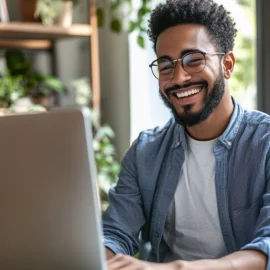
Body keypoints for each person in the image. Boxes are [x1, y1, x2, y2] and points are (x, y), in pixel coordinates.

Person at [103, 0, 270, 269]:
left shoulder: (266, 144)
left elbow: (268, 247)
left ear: (227, 65)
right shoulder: (145, 151)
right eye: (166, 65)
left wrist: (181, 268)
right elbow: (115, 232)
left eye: (193, 60)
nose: (178, 78)